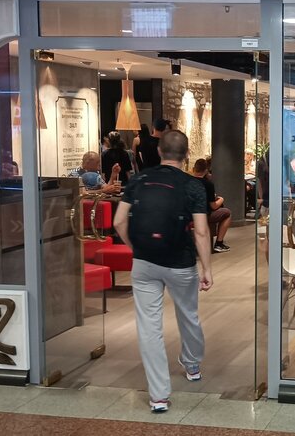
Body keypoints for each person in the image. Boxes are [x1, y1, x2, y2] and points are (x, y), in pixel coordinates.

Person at [112, 130, 213, 414]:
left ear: (159, 151)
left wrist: (136, 248)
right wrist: (206, 268)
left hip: (144, 263)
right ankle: (192, 365)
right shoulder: (193, 186)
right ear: (187, 154)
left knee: (149, 327)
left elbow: (119, 222)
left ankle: (158, 396)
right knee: (188, 314)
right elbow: (201, 232)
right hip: (180, 262)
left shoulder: (139, 179)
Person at [192, 158, 232, 254]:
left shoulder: (187, 182)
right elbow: (214, 206)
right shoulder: (208, 184)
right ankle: (219, 243)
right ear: (206, 170)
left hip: (189, 215)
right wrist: (221, 199)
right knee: (227, 213)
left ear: (194, 169)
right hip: (203, 215)